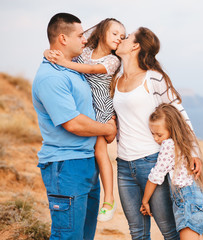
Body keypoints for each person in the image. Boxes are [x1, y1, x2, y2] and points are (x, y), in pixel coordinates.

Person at [111, 27, 203, 240]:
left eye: (126, 38)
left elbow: (179, 113)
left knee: (169, 231)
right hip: (124, 165)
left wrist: (194, 151)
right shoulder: (115, 79)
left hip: (153, 161)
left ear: (135, 46)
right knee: (137, 232)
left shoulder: (153, 78)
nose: (121, 40)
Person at [32, 13, 117, 239]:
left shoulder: (72, 68)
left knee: (83, 236)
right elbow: (73, 123)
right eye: (79, 35)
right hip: (66, 167)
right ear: (62, 38)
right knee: (68, 236)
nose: (84, 40)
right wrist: (108, 129)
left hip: (86, 163)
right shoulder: (51, 77)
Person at [44, 18, 126, 222]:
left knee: (100, 152)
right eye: (115, 33)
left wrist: (63, 62)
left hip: (101, 107)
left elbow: (91, 70)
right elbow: (77, 38)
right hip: (87, 106)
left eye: (122, 37)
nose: (119, 38)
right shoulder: (85, 51)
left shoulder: (112, 60)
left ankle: (109, 198)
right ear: (102, 32)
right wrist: (49, 53)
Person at [140, 103, 203, 240]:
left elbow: (156, 176)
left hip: (186, 203)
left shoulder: (168, 145)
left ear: (171, 129)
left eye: (159, 135)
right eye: (152, 134)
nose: (155, 139)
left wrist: (145, 200)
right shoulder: (184, 145)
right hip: (196, 203)